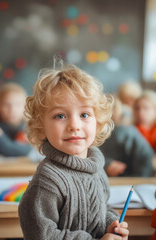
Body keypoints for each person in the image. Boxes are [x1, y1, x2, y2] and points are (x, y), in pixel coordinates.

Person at [18, 61, 129, 240]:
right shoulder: (48, 181)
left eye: (84, 115)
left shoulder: (96, 166)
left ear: (98, 122)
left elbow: (102, 208)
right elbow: (42, 236)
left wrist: (112, 225)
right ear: (41, 125)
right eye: (60, 116)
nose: (74, 126)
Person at [100, 96, 154, 177]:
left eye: (146, 108)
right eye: (137, 108)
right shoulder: (129, 130)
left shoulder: (128, 131)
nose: (140, 112)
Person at [0, 83, 43, 162]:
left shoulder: (28, 128)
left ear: (25, 106)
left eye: (17, 104)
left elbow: (22, 151)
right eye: (6, 104)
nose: (12, 110)